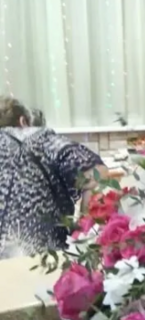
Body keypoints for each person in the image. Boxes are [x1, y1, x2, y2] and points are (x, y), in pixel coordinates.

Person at [0, 97, 105, 258]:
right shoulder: (32, 137)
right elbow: (97, 174)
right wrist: (83, 232)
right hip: (44, 258)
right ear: (23, 122)